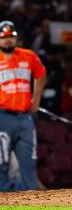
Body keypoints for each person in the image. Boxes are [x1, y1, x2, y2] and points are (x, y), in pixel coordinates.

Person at [0, 21, 46, 191]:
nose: (7, 41)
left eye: (10, 37)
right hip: (2, 117)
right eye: (4, 37)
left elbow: (40, 74)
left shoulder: (28, 56)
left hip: (25, 117)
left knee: (29, 162)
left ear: (16, 38)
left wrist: (36, 100)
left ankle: (31, 201)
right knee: (1, 162)